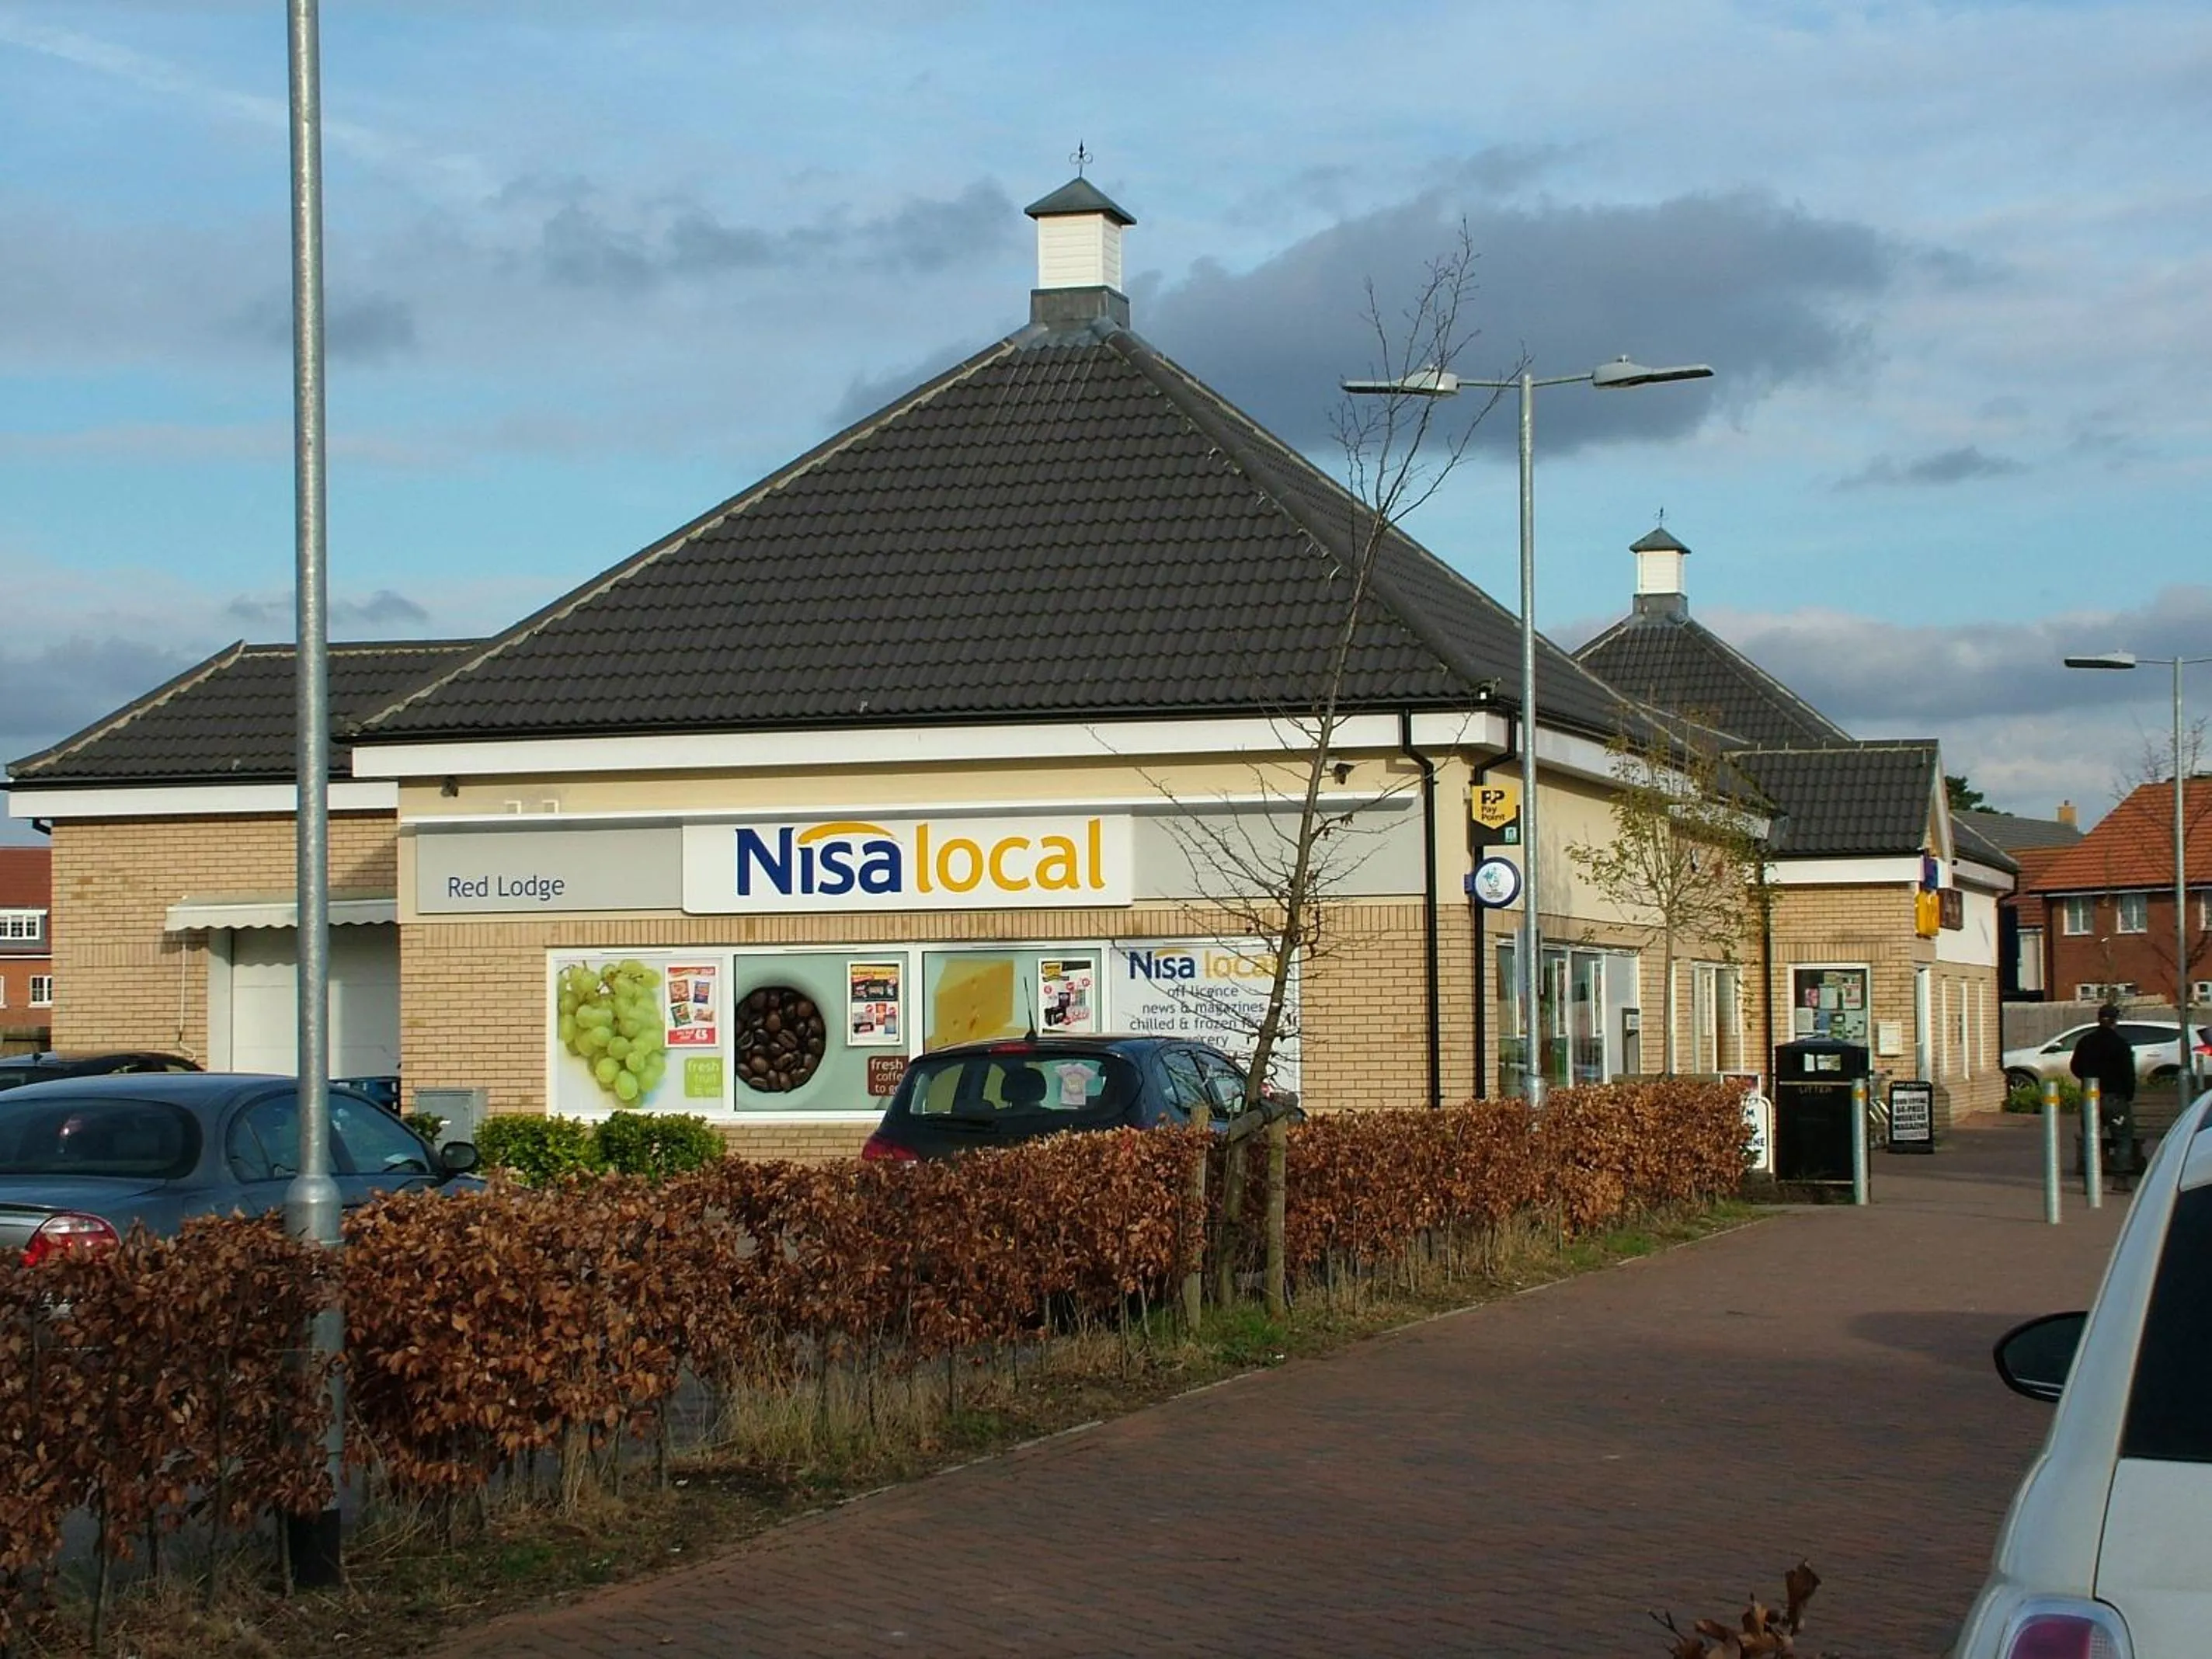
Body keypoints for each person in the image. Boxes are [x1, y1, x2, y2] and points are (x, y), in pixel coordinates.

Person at [2070, 1003, 2141, 1180]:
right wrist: (2128, 1094)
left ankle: (2090, 1175)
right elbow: (2128, 1073)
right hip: (2115, 1097)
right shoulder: (2120, 1044)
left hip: (2090, 1095)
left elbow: (2075, 1067)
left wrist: (2087, 1079)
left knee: (2090, 1135)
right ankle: (2121, 1176)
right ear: (2115, 1021)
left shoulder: (2085, 1042)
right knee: (2123, 1137)